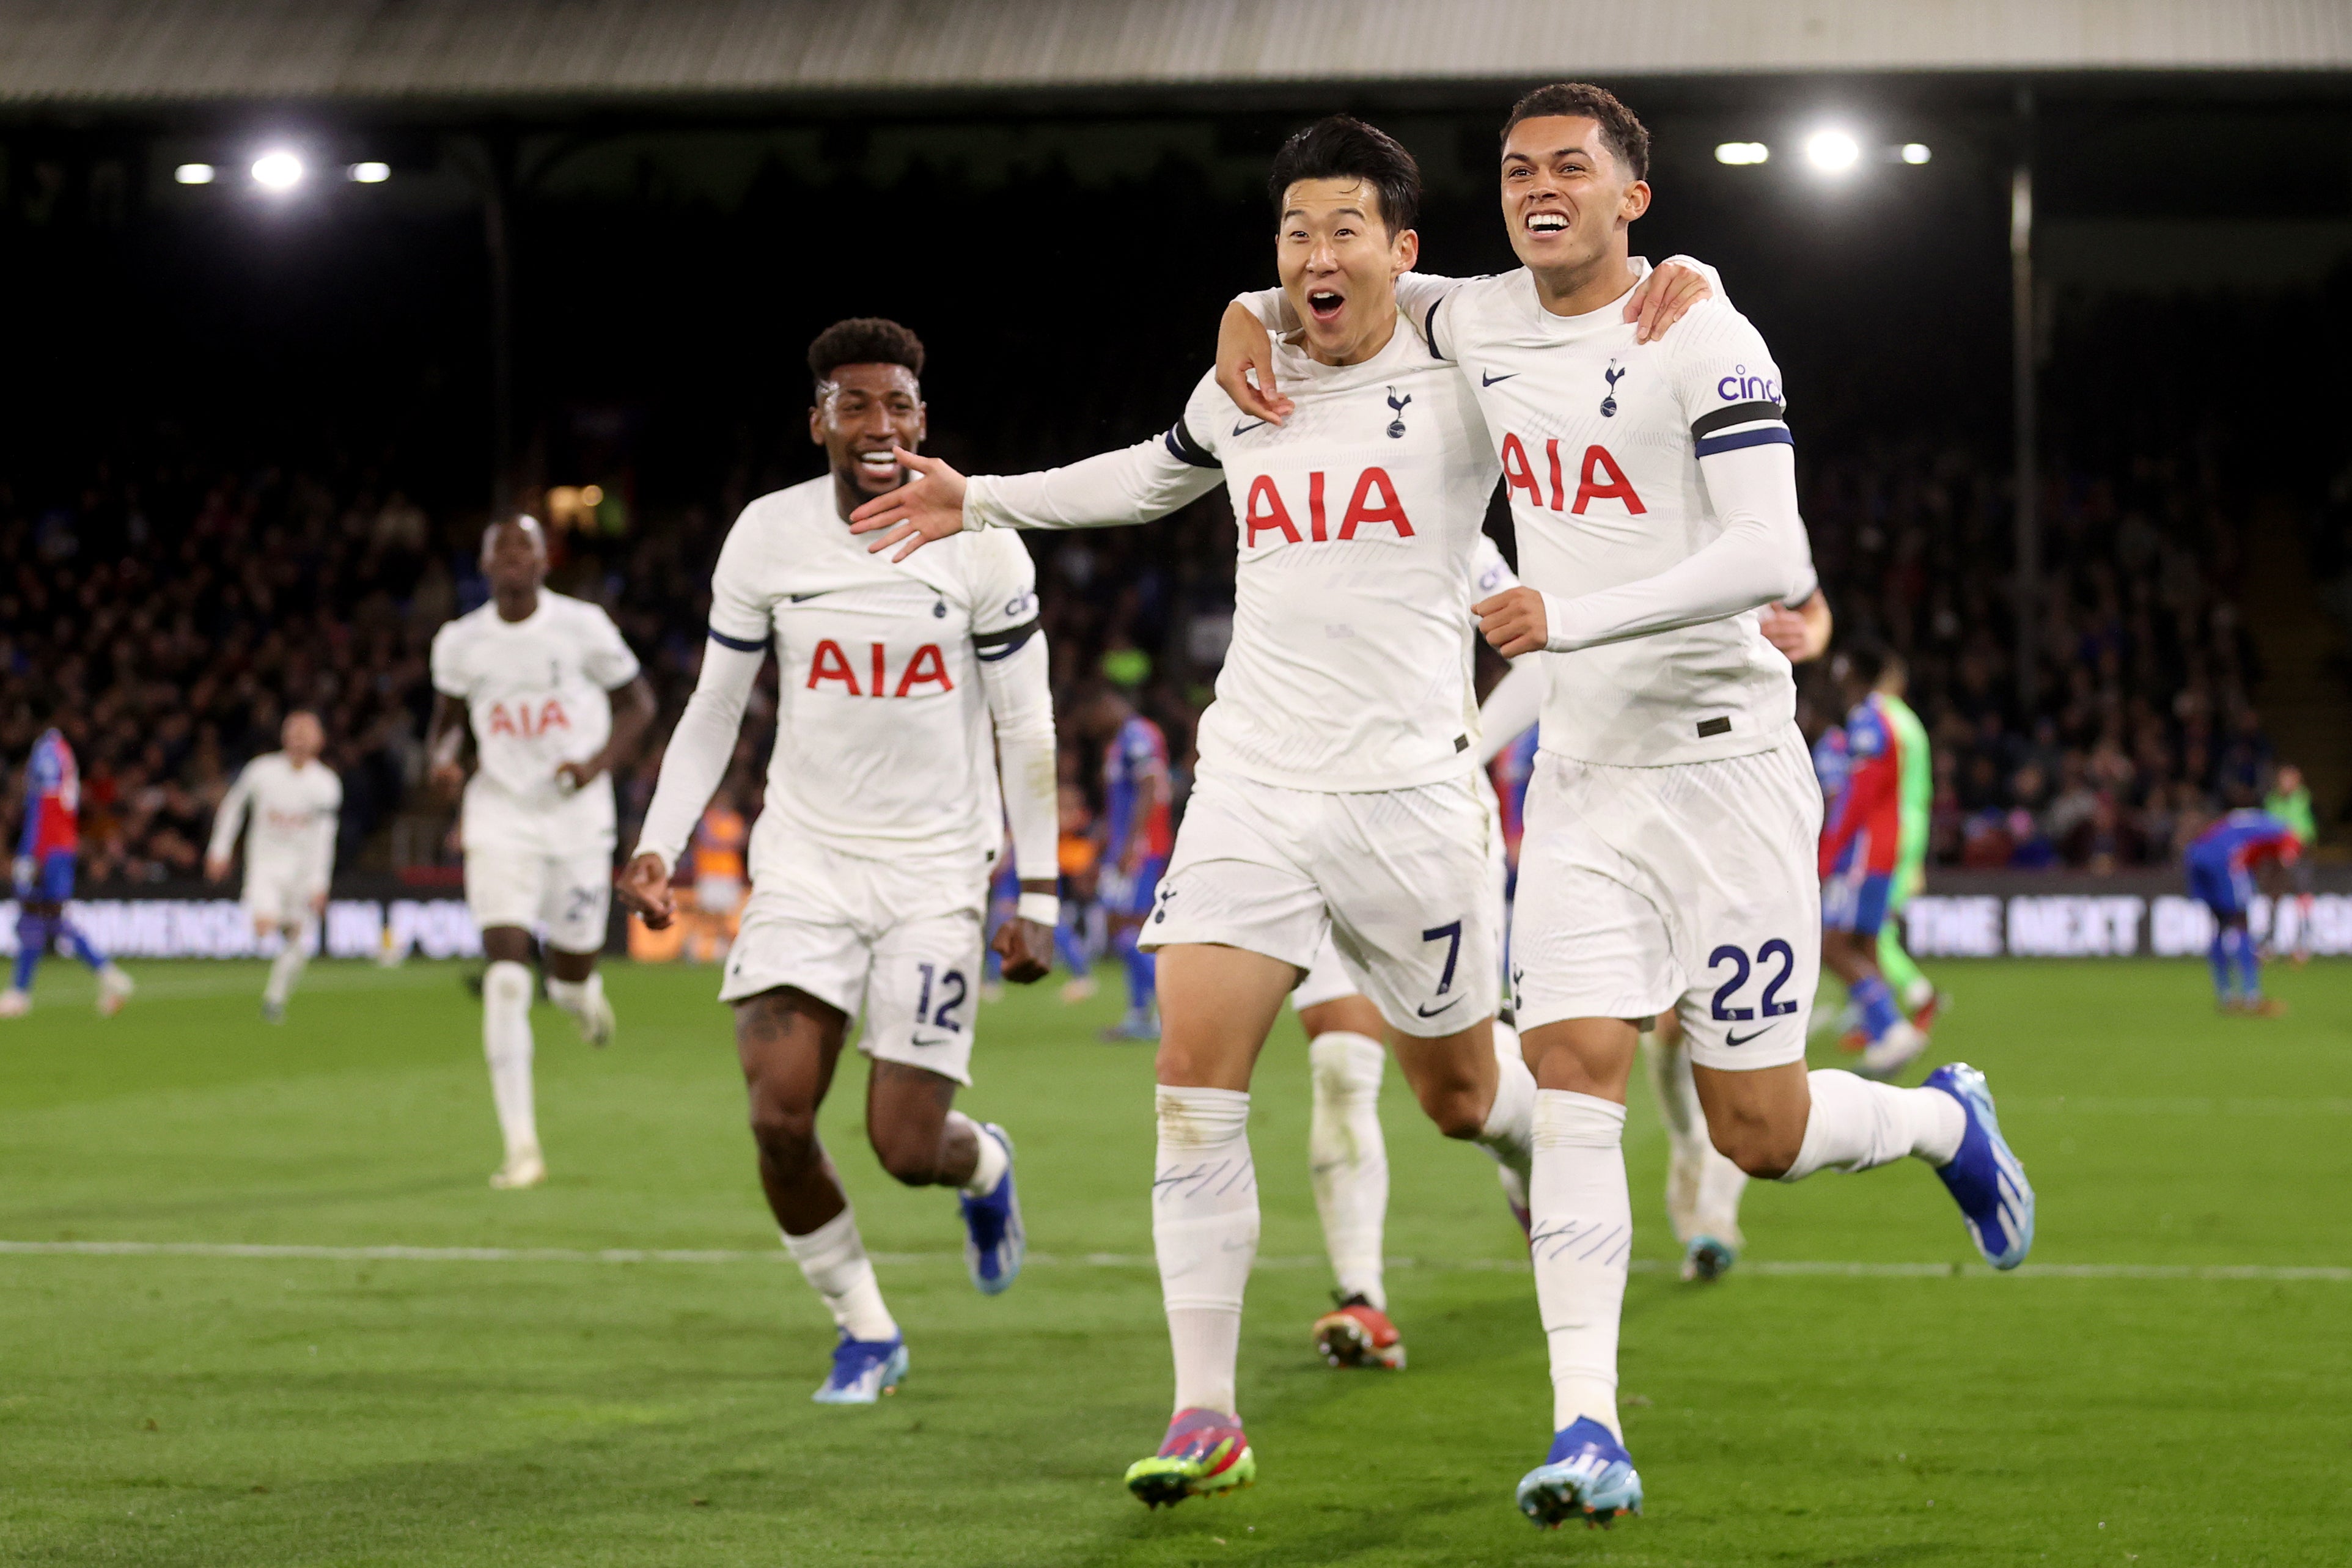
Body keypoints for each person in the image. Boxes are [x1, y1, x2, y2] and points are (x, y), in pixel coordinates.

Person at [849, 117, 1716, 1508]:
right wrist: (981, 497)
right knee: (1191, 1089)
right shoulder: (1246, 373)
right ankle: (1204, 1409)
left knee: (1455, 1093)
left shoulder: (1462, 352)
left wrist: (1694, 277)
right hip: (1249, 782)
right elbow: (1147, 471)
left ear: (1402, 250)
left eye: (1343, 234)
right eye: (1291, 238)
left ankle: (1512, 1144)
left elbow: (1593, 287)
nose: (1315, 258)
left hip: (1411, 801)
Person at [1214, 83, 2034, 1529]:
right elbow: (1332, 279)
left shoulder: (1704, 331)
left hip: (1725, 773)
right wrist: (1247, 308)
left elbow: (1771, 549)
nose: (1540, 186)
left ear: (1629, 198)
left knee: (1753, 1133)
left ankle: (1935, 1123)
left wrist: (1570, 617)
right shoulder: (1470, 318)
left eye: (1570, 169)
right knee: (1578, 1071)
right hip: (1583, 779)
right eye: (1519, 168)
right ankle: (1585, 1424)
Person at [614, 317, 1060, 1407]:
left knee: (905, 1148)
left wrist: (1037, 890)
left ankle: (982, 1164)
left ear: (923, 420)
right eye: (855, 405)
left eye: (899, 405)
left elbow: (1027, 726)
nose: (879, 425)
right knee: (776, 1116)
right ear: (815, 421)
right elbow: (717, 703)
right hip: (807, 861)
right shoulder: (766, 536)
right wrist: (658, 842)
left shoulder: (982, 537)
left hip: (934, 875)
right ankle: (865, 1328)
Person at [427, 515, 656, 1189]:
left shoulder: (582, 626)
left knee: (566, 978)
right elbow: (442, 729)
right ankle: (521, 1145)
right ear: (485, 562)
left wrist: (597, 763)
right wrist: (444, 764)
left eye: (524, 546)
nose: (512, 558)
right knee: (503, 974)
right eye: (500, 549)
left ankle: (584, 999)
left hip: (578, 822)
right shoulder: (460, 642)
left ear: (543, 560)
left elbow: (639, 705)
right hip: (499, 813)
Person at [1817, 644, 1930, 1079]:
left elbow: (1858, 795)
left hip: (1863, 850)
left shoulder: (1869, 721)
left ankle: (1890, 1028)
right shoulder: (1890, 721)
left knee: (1833, 945)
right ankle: (1883, 1035)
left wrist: (1829, 852)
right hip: (1884, 847)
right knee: (1865, 942)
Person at [204, 709, 344, 1022]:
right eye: (294, 732)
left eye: (306, 733)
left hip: (302, 874)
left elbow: (325, 839)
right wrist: (219, 849)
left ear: (319, 741)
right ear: (283, 737)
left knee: (300, 943)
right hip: (265, 867)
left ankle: (275, 999)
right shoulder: (262, 771)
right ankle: (280, 922)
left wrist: (320, 884)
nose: (299, 740)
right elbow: (233, 807)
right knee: (263, 925)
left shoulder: (326, 785)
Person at [3, 723, 134, 1019]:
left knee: (35, 917)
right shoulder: (64, 751)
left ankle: (19, 994)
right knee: (47, 918)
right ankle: (108, 975)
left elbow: (46, 808)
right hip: (60, 847)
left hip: (48, 849)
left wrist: (33, 853)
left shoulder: (46, 751)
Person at [1083, 686, 1174, 1042]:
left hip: (1140, 848)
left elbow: (1150, 786)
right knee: (1123, 929)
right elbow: (1120, 801)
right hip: (1126, 846)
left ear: (1110, 704)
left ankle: (1175, 1011)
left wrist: (1131, 843)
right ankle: (1140, 1014)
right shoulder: (1121, 740)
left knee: (1130, 930)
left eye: (1095, 713)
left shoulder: (1138, 734)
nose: (1092, 723)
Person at [2185, 808, 2301, 1014]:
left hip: (2196, 853)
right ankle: (2251, 998)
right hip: (2224, 858)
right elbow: (2286, 856)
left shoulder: (2243, 823)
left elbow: (2255, 862)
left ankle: (2226, 996)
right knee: (2242, 924)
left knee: (2219, 925)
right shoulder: (2282, 831)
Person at [2262, 763, 2317, 964]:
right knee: (2273, 898)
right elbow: (2268, 825)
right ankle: (2270, 943)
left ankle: (2304, 942)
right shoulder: (2272, 800)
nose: (2286, 783)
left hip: (2299, 855)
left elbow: (2303, 828)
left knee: (2302, 896)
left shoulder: (2302, 798)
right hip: (2275, 856)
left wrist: (2292, 847)